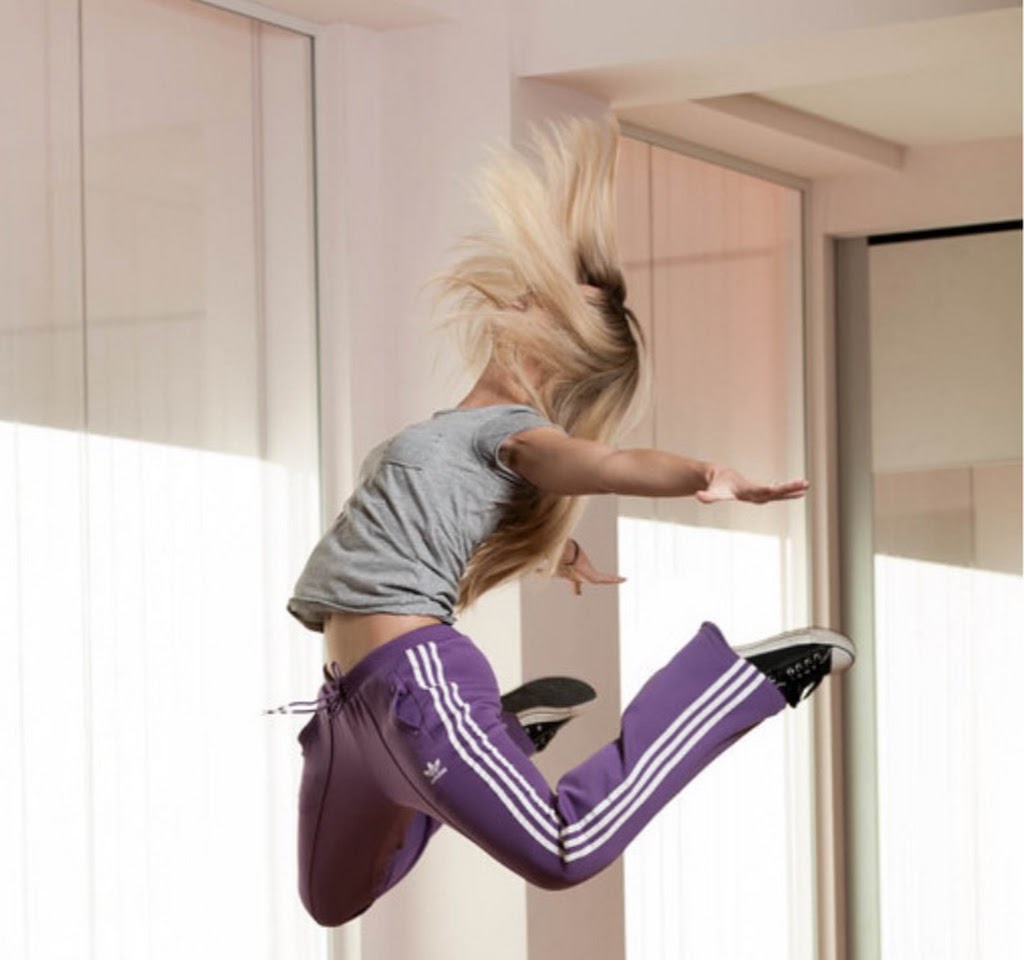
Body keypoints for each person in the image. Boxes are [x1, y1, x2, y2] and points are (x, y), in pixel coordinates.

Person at [281, 118, 854, 927]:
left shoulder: (515, 433)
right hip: (349, 705)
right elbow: (428, 524)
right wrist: (554, 552)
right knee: (332, 900)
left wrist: (702, 475)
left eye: (552, 304)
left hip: (418, 684)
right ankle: (504, 737)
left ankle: (738, 683)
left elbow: (609, 464)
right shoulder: (455, 435)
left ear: (562, 354)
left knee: (564, 849)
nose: (529, 296)